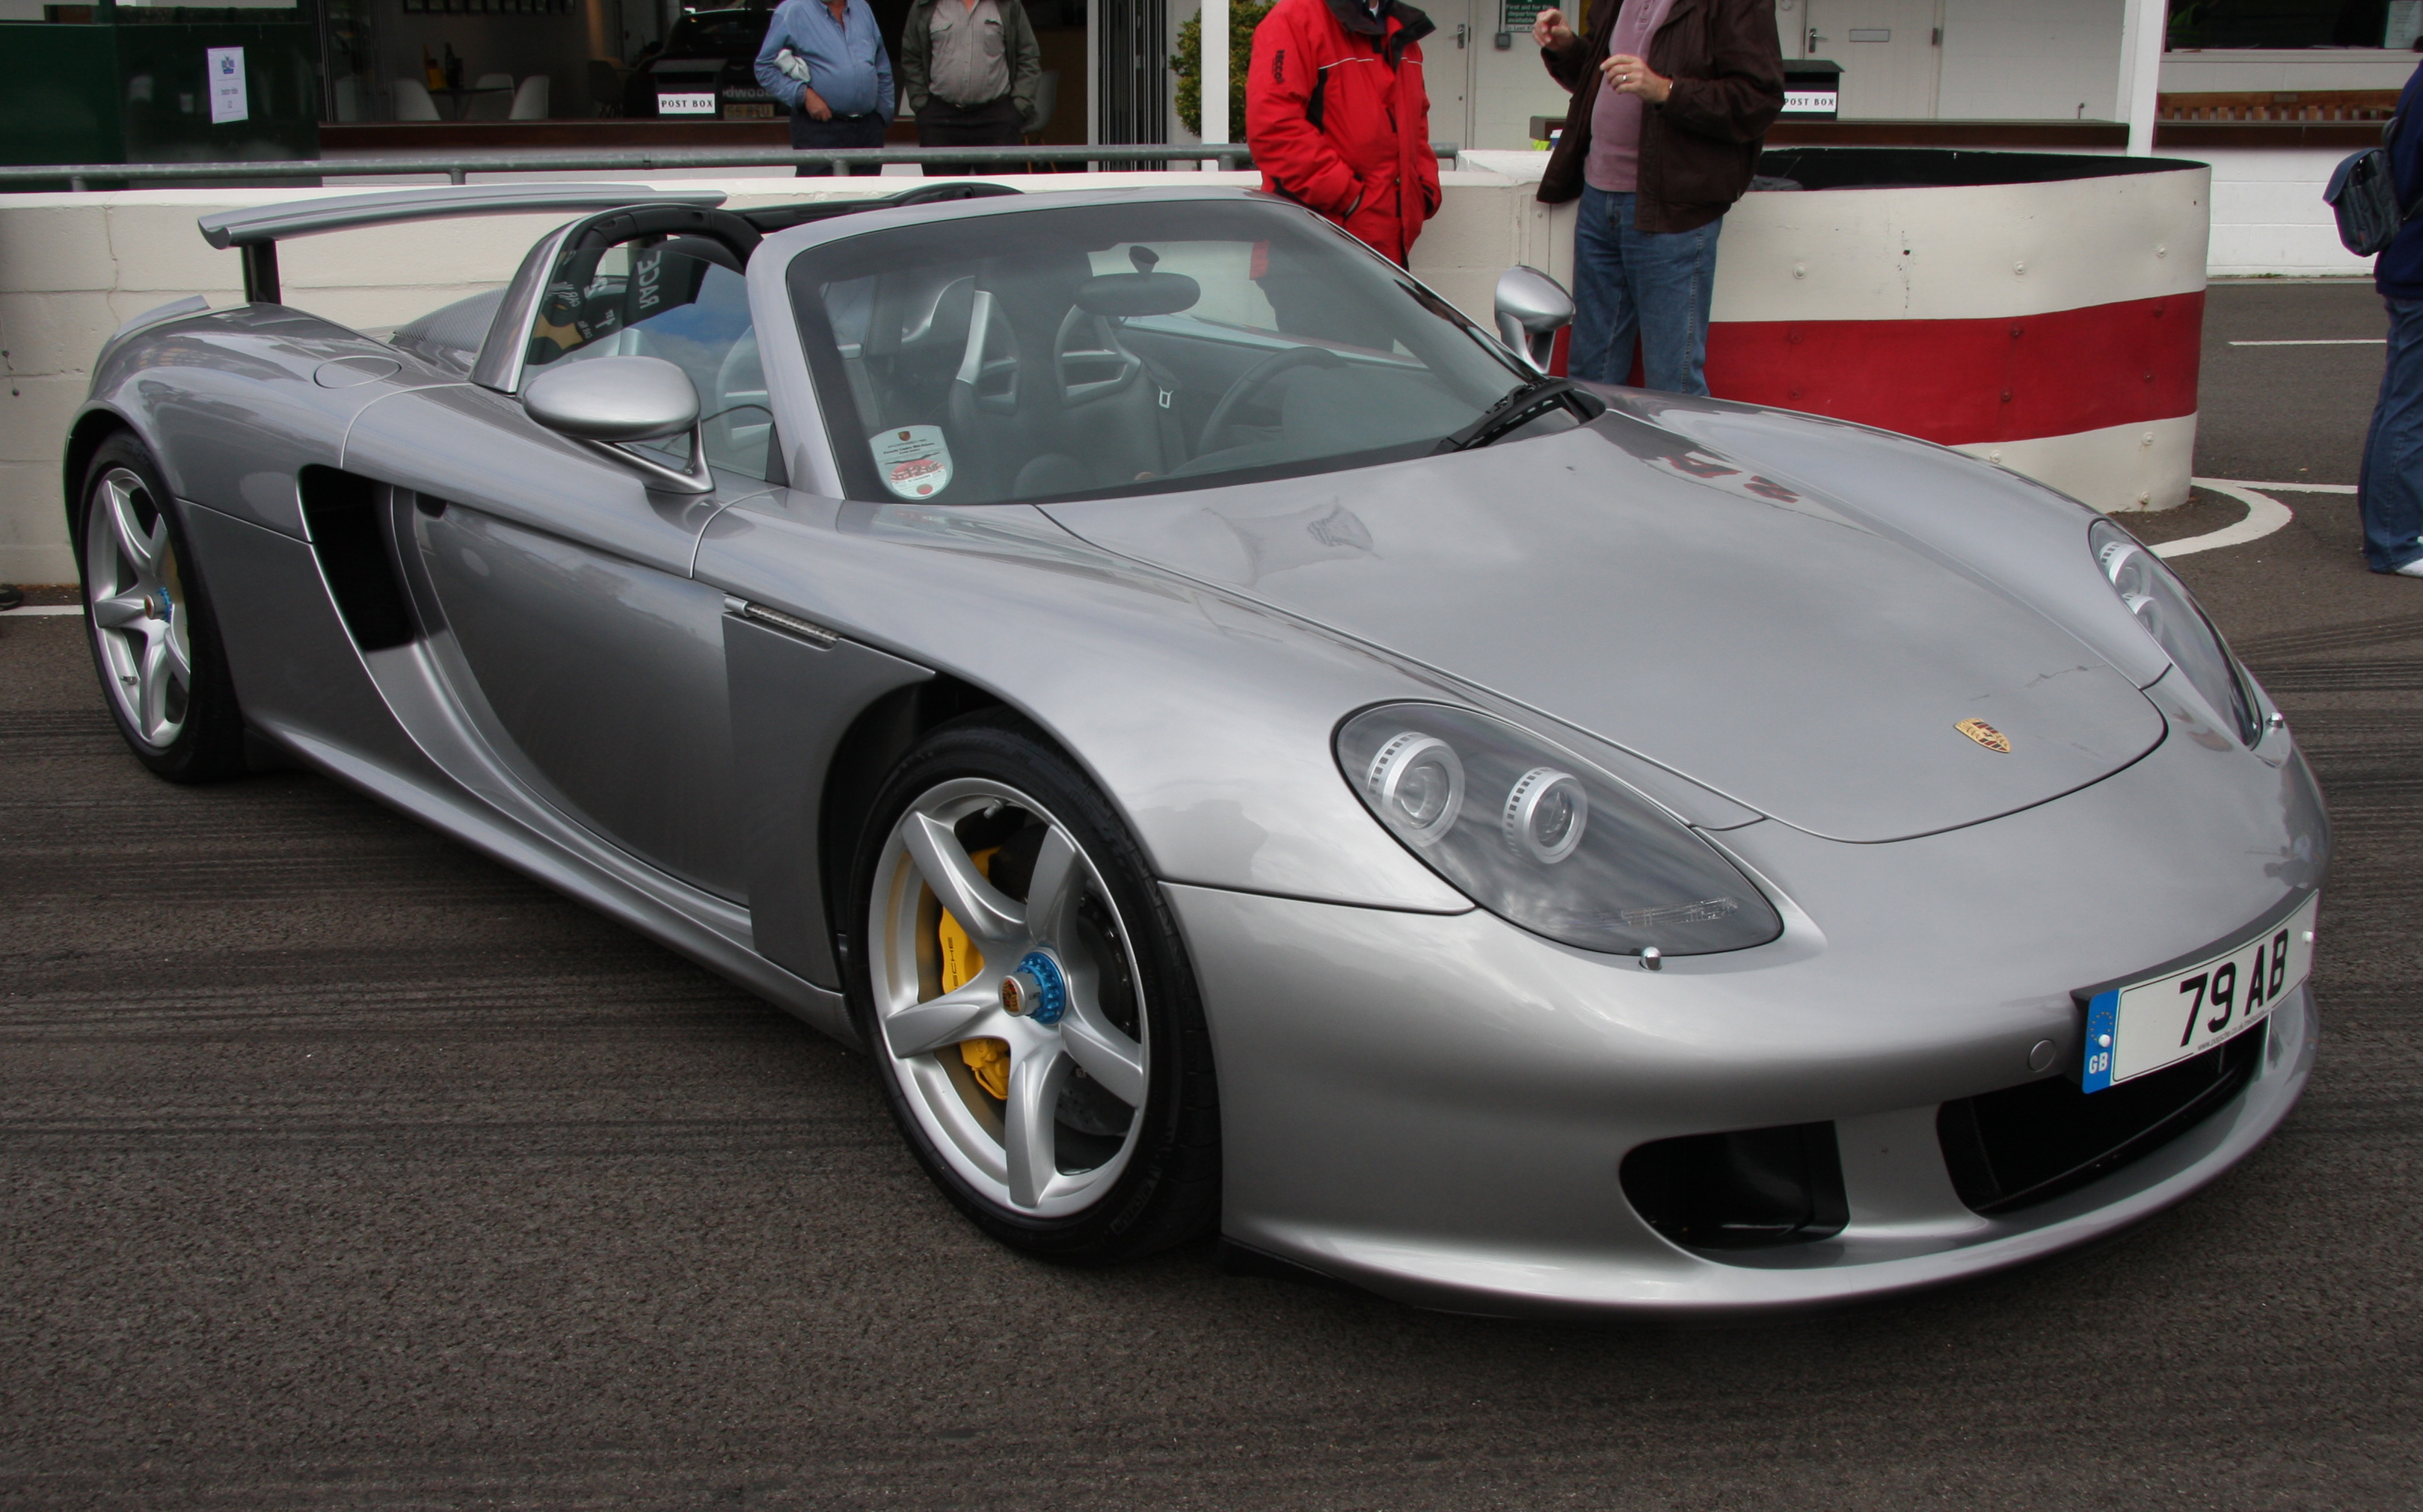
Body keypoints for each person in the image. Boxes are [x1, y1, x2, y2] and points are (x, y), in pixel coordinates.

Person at [1530, 0, 1780, 394]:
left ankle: (1676, 458)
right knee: (1590, 375)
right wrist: (1567, 47)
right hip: (1598, 198)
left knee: (1672, 381)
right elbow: (1599, 77)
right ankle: (1597, 458)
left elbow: (1757, 99)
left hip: (1673, 208)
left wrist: (1666, 89)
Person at [1244, 0, 1440, 267]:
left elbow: (1416, 119)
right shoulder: (1295, 19)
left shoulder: (1400, 27)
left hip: (1388, 249)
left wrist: (1424, 192)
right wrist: (1351, 198)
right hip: (1309, 254)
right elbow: (1274, 127)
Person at [2359, 57, 2423, 577]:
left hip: (2412, 261)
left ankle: (2396, 529)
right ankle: (2395, 541)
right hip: (2420, 266)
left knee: (2404, 405)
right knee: (2409, 409)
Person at [899, 0, 1042, 176]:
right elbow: (911, 57)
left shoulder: (1008, 5)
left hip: (997, 120)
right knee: (943, 197)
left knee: (997, 197)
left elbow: (1028, 56)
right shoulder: (926, 5)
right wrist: (922, 104)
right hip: (941, 121)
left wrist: (1018, 106)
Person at [755, 0, 897, 177]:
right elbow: (765, 67)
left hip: (867, 128)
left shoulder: (862, 7)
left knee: (866, 201)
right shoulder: (793, 10)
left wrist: (882, 115)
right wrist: (804, 95)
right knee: (821, 200)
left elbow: (881, 64)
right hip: (819, 129)